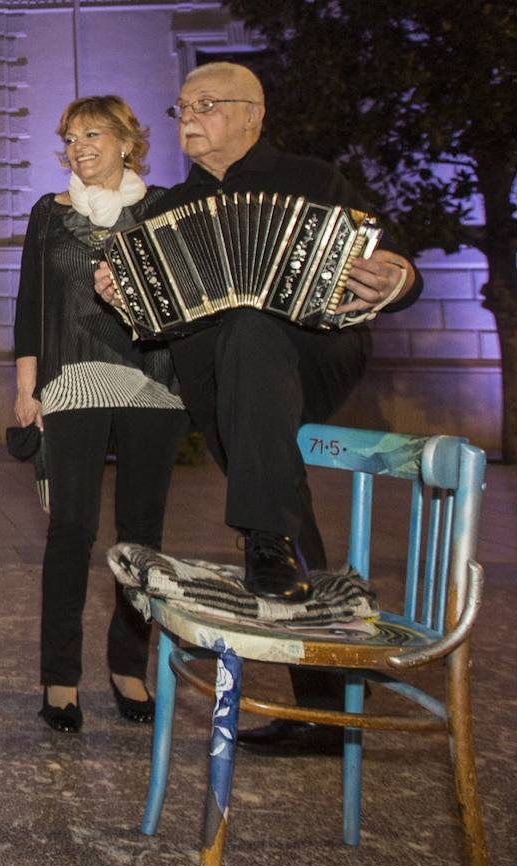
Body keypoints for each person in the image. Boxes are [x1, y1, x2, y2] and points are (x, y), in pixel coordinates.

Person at [95, 62, 422, 753]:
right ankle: (320, 707)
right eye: (182, 106)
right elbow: (161, 324)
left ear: (253, 113)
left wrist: (397, 275)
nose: (189, 117)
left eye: (207, 105)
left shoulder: (313, 179)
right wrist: (126, 298)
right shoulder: (162, 210)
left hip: (318, 351)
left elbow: (396, 260)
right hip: (223, 380)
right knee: (268, 451)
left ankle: (263, 538)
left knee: (253, 328)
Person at [14, 96, 187, 733]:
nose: (79, 145)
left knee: (141, 536)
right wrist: (27, 387)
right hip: (70, 383)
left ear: (127, 142)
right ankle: (60, 678)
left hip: (154, 385)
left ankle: (128, 666)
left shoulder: (163, 208)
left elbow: (186, 294)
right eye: (69, 136)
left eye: (93, 132)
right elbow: (30, 305)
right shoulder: (47, 215)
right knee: (72, 531)